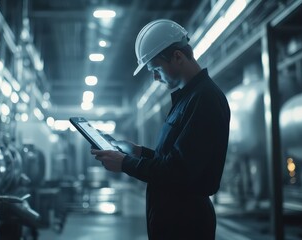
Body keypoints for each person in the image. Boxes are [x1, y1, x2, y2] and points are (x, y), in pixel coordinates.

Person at [91, 19, 230, 240]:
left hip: (186, 225)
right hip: (173, 221)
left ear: (178, 56)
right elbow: (173, 160)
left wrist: (124, 163)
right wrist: (137, 152)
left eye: (156, 69)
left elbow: (180, 172)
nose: (155, 77)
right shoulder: (187, 99)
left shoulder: (205, 100)